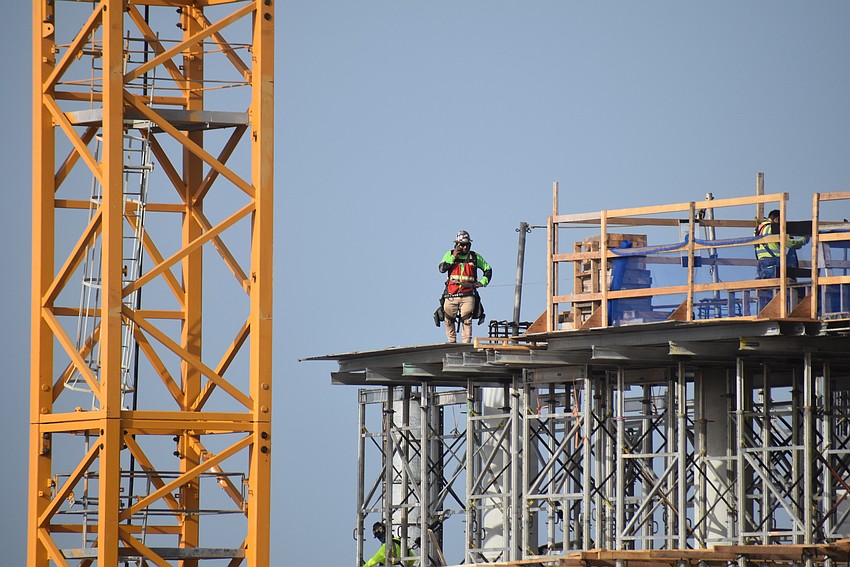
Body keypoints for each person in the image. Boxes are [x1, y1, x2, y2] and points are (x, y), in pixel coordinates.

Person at [438, 230, 492, 343]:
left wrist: (483, 282)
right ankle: (451, 342)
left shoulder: (475, 257)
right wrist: (453, 257)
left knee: (467, 320)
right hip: (451, 294)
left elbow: (488, 269)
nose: (465, 247)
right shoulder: (449, 254)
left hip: (468, 295)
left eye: (467, 245)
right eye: (462, 245)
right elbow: (442, 269)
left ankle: (466, 343)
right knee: (448, 319)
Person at [754, 209, 810, 280]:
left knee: (766, 288)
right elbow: (791, 244)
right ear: (778, 219)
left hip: (761, 263)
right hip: (775, 262)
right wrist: (804, 240)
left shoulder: (757, 230)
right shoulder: (774, 228)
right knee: (784, 285)